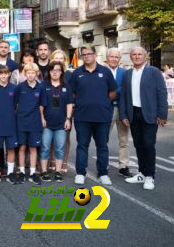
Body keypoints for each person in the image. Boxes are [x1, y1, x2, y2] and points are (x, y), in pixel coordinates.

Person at [121, 47, 168, 190]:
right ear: (130, 57)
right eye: (134, 54)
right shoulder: (127, 74)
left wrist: (162, 114)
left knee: (148, 144)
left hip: (150, 114)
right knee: (138, 144)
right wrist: (123, 114)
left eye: (139, 54)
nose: (136, 57)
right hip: (133, 113)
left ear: (145, 57)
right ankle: (141, 173)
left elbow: (162, 93)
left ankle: (149, 176)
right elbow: (123, 96)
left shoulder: (154, 72)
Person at [69, 45, 117, 186]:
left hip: (102, 117)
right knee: (82, 145)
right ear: (81, 56)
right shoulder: (77, 73)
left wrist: (103, 103)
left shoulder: (105, 72)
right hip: (82, 117)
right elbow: (72, 93)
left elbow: (112, 91)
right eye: (84, 54)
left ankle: (103, 173)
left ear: (95, 55)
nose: (87, 56)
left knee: (102, 146)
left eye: (89, 53)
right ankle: (80, 173)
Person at [39, 61, 73, 183]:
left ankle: (58, 172)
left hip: (61, 124)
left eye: (58, 70)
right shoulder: (43, 86)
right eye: (53, 70)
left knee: (60, 148)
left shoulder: (66, 86)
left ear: (61, 72)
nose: (55, 72)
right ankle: (44, 171)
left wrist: (68, 119)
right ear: (49, 72)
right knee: (45, 147)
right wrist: (42, 118)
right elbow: (41, 105)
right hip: (47, 124)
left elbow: (69, 103)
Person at [16, 62, 46, 185]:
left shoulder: (41, 87)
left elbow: (41, 105)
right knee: (22, 147)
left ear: (37, 74)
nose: (31, 75)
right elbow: (16, 105)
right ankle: (22, 171)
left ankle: (33, 173)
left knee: (33, 147)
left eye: (33, 73)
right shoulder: (20, 87)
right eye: (28, 73)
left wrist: (42, 118)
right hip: (21, 121)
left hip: (35, 121)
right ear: (25, 74)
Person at [104, 48, 132, 178]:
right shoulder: (102, 71)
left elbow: (126, 90)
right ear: (107, 58)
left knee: (124, 139)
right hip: (106, 109)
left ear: (119, 59)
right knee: (103, 138)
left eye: (116, 57)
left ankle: (123, 166)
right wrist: (117, 90)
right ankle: (103, 164)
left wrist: (113, 90)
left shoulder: (124, 73)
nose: (114, 59)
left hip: (122, 109)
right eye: (112, 57)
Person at [0, 65, 18, 185]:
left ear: (9, 74)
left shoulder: (14, 88)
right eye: (1, 73)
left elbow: (16, 106)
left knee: (11, 148)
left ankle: (10, 173)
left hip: (11, 123)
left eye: (5, 73)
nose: (3, 76)